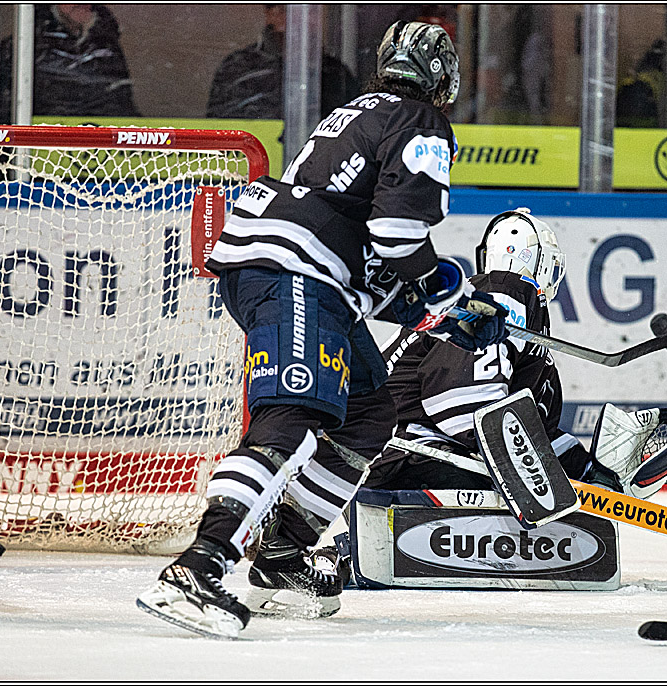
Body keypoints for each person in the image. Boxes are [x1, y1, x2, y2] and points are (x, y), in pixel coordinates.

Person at [136, 21, 510, 640]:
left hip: (299, 273)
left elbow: (368, 253)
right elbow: (396, 235)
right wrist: (441, 283)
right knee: (290, 414)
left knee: (368, 413)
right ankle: (199, 565)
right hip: (298, 275)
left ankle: (284, 553)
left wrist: (449, 310)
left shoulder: (358, 114)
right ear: (444, 82)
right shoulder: (419, 120)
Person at [367, 208, 667, 497]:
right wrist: (521, 466)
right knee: (517, 500)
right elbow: (462, 402)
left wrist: (587, 471)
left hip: (396, 454)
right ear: (541, 262)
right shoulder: (502, 290)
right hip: (402, 451)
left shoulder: (530, 339)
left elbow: (534, 433)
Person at [0, 4, 139, 123]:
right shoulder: (17, 49)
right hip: (32, 157)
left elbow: (121, 108)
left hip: (98, 157)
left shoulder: (106, 47)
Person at [206, 4, 359, 120]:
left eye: (312, 11)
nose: (302, 20)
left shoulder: (336, 74)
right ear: (269, 15)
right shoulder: (238, 67)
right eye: (284, 10)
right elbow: (222, 133)